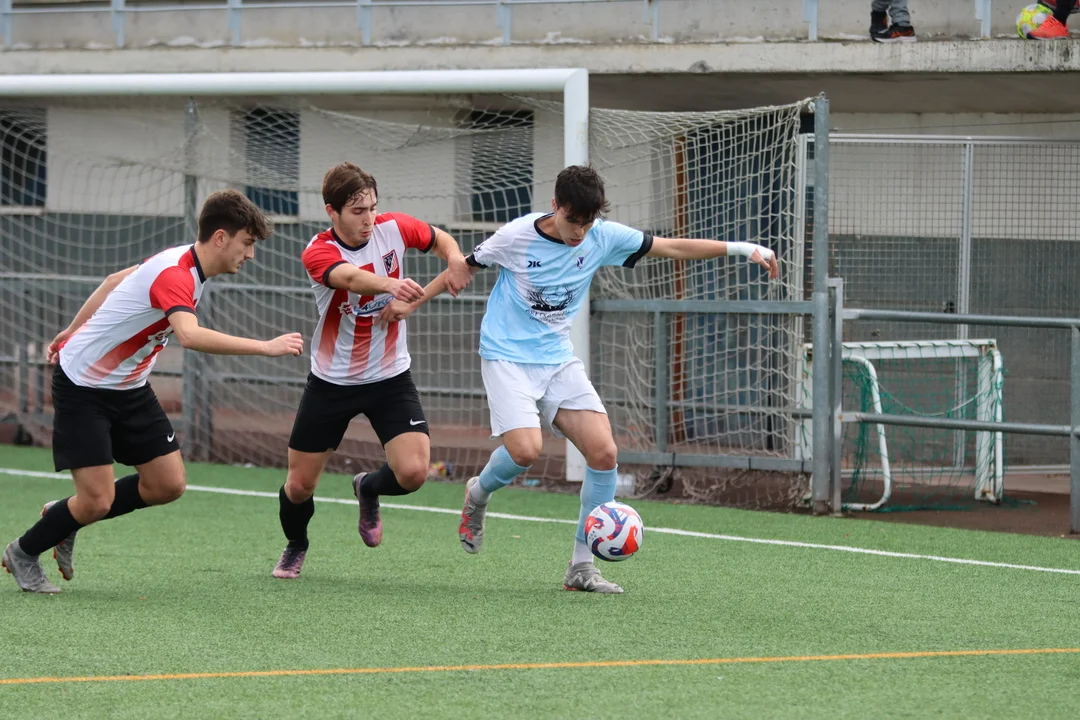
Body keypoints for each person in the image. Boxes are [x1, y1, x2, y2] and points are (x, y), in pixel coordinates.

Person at [376, 165, 779, 593]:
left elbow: (671, 247)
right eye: (573, 221)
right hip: (507, 357)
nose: (579, 233)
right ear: (556, 206)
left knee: (604, 453)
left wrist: (743, 248)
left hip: (557, 360)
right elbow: (463, 269)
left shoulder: (601, 237)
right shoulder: (517, 236)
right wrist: (413, 303)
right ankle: (478, 494)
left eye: (587, 223)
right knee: (525, 450)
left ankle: (581, 567)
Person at [3, 190, 304, 594]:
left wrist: (72, 329)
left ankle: (65, 514)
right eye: (247, 243)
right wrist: (265, 346)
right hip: (83, 388)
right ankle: (23, 551)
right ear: (220, 238)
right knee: (96, 501)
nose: (250, 254)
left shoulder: (186, 262)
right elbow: (189, 335)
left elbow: (113, 282)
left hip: (129, 388)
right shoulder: (175, 275)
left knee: (167, 485)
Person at [271, 162, 473, 580]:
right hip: (332, 382)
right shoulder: (318, 251)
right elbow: (347, 277)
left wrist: (454, 258)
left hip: (390, 377)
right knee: (299, 486)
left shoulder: (392, 228)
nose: (368, 219)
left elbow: (440, 239)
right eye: (357, 211)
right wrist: (390, 285)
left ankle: (367, 486)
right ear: (332, 212)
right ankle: (297, 544)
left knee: (413, 473)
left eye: (373, 208)